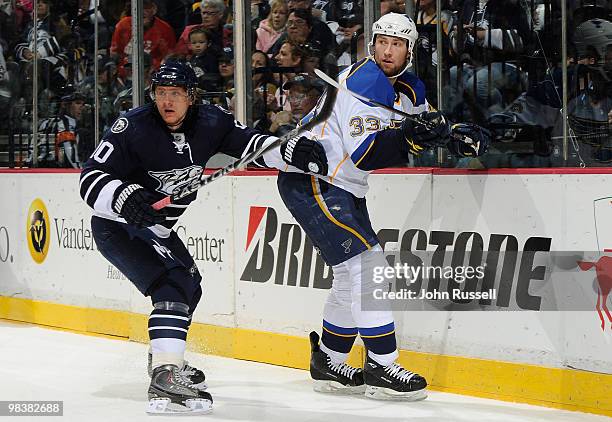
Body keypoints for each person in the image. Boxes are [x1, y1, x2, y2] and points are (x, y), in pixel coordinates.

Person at [78, 60, 329, 415]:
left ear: (191, 97)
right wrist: (123, 196)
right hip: (118, 226)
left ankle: (165, 359)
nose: (167, 101)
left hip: (159, 230)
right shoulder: (132, 127)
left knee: (191, 285)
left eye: (175, 94)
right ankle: (166, 373)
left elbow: (251, 146)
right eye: (161, 93)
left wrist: (289, 152)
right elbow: (90, 175)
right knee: (172, 284)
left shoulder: (212, 122)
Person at [276, 13, 490, 400]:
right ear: (372, 43)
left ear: (410, 50)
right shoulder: (364, 83)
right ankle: (382, 364)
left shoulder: (407, 85)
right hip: (312, 180)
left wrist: (454, 135)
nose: (387, 51)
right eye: (381, 42)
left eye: (397, 44)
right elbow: (366, 153)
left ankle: (328, 360)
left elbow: (423, 125)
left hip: (342, 187)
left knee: (349, 275)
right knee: (368, 268)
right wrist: (413, 138)